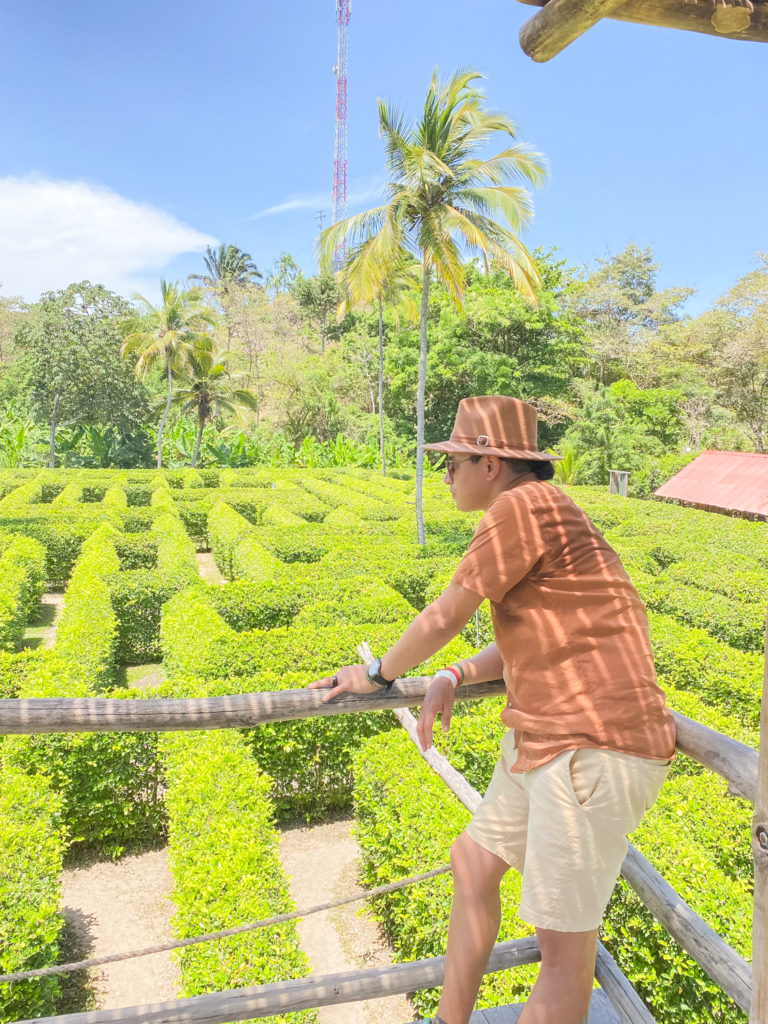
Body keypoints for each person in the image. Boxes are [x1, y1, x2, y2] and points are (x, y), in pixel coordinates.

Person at [308, 395, 676, 1024]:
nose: (444, 474)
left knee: (564, 951)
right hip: (547, 736)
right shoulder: (549, 511)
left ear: (492, 463)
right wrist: (455, 673)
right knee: (474, 862)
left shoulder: (519, 508)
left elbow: (446, 615)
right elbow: (538, 634)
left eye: (454, 461)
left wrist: (377, 674)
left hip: (590, 745)